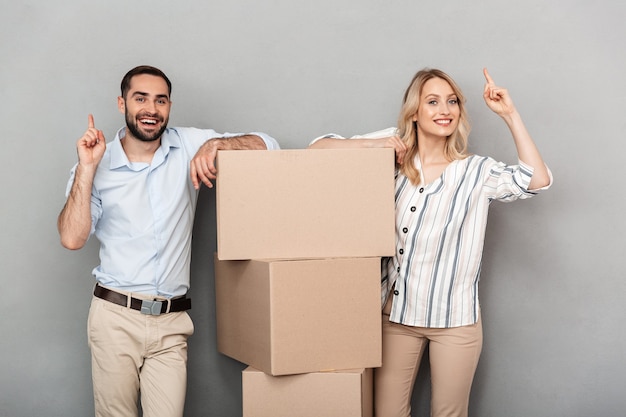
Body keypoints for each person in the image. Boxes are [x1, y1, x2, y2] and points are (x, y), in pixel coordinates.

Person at [309, 68, 552, 417]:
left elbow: (537, 180)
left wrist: (509, 114)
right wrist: (373, 144)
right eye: (433, 101)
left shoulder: (475, 171)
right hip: (395, 317)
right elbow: (317, 148)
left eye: (452, 102)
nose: (445, 110)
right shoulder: (392, 154)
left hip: (454, 322)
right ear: (414, 112)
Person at [57, 65, 280, 417]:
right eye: (140, 98)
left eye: (160, 100)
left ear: (169, 106)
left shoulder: (189, 143)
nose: (151, 109)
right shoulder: (97, 164)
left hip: (172, 324)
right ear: (122, 104)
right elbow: (72, 237)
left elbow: (268, 145)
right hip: (115, 318)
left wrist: (217, 144)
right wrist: (86, 168)